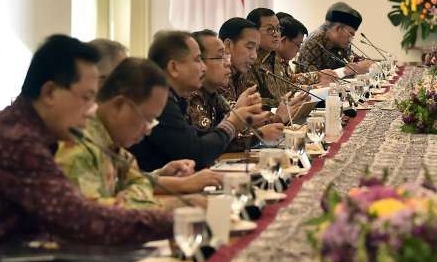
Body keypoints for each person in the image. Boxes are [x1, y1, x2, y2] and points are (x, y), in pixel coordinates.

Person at [0, 35, 172, 245]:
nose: (92, 111)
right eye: (86, 97)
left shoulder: (27, 132)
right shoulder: (17, 141)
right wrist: (177, 221)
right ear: (50, 92)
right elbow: (79, 219)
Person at [56, 57, 223, 209]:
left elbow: (138, 181)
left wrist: (162, 176)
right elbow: (95, 214)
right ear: (119, 105)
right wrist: (176, 204)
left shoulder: (110, 141)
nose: (149, 130)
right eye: (148, 118)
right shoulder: (79, 146)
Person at [129, 31, 267, 171]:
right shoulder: (160, 101)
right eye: (198, 60)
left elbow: (199, 139)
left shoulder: (178, 98)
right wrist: (233, 122)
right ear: (174, 67)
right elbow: (196, 154)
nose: (203, 67)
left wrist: (237, 119)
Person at [190, 29, 284, 148]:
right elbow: (207, 146)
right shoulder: (192, 96)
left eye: (226, 56)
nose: (228, 63)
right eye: (220, 57)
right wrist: (258, 136)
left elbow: (237, 131)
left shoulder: (214, 95)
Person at [216, 18, 308, 126]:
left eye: (256, 49)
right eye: (249, 47)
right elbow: (237, 127)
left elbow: (251, 115)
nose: (254, 56)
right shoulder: (219, 77)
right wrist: (278, 117)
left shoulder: (240, 73)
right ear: (227, 45)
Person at [296, 2, 374, 74]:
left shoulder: (341, 41)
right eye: (350, 34)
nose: (350, 40)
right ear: (338, 29)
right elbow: (310, 78)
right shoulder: (313, 42)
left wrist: (363, 63)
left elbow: (349, 61)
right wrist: (346, 71)